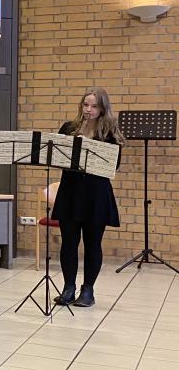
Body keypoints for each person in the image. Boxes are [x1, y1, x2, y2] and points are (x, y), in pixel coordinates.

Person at [52, 87, 124, 308]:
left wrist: (90, 146)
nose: (88, 110)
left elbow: (114, 165)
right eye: (85, 105)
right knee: (69, 242)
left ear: (102, 108)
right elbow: (56, 156)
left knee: (93, 243)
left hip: (96, 193)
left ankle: (88, 290)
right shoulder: (69, 128)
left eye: (93, 106)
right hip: (70, 191)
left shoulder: (110, 132)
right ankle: (68, 288)